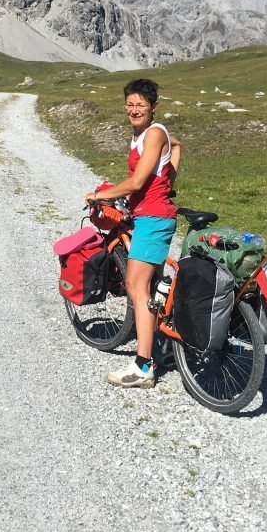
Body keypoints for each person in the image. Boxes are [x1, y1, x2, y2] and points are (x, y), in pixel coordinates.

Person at [84, 78, 181, 389]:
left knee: (135, 286)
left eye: (141, 104)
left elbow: (138, 182)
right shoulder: (142, 133)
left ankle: (143, 367)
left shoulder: (153, 134)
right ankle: (158, 347)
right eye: (130, 104)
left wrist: (102, 195)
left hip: (154, 219)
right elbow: (177, 146)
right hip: (147, 215)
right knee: (149, 289)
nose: (134, 109)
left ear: (153, 107)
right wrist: (169, 180)